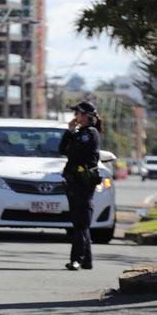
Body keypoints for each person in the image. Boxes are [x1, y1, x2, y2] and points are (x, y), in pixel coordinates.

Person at [59, 100, 103, 270]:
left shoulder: (89, 133)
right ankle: (86, 261)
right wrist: (69, 131)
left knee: (80, 223)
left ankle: (77, 259)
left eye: (77, 113)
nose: (75, 116)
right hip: (74, 181)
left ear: (85, 116)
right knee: (80, 223)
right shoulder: (80, 132)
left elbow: (74, 152)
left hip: (83, 182)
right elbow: (62, 149)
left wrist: (72, 134)